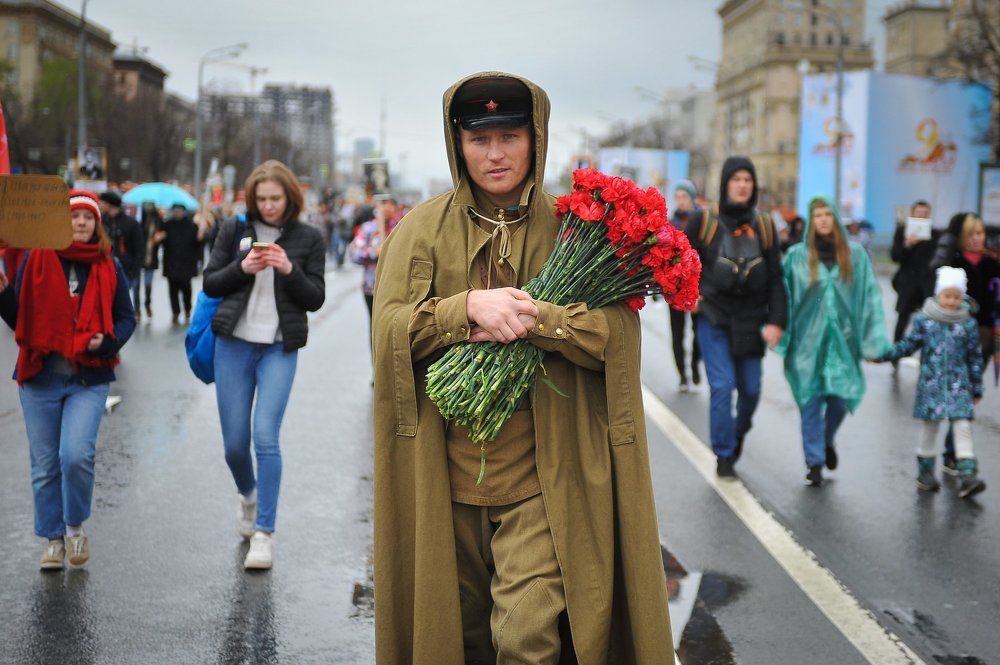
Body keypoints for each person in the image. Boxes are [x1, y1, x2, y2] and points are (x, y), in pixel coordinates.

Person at [371, 72, 672, 663]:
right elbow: (387, 334)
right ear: (458, 144)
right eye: (479, 139)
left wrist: (540, 319)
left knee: (524, 637)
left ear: (535, 138)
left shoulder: (574, 228)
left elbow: (616, 335)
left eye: (509, 136)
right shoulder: (420, 230)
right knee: (459, 643)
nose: (495, 154)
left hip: (542, 483)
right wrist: (463, 310)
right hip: (443, 483)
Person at [0, 190, 136, 570]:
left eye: (88, 217)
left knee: (76, 456)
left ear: (97, 225)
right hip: (40, 377)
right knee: (45, 464)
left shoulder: (108, 264)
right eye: (74, 216)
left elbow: (126, 318)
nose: (80, 223)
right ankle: (53, 540)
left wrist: (108, 342)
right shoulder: (37, 258)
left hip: (87, 379)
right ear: (61, 222)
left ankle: (74, 526)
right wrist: (3, 293)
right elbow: (20, 318)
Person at [202, 160, 326, 570]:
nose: (269, 206)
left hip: (278, 348)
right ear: (252, 199)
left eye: (276, 198)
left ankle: (264, 533)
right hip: (233, 345)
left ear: (290, 197)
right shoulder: (234, 230)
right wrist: (243, 268)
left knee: (266, 438)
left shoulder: (309, 237)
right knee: (235, 445)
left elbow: (315, 298)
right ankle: (249, 495)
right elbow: (210, 283)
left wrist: (289, 269)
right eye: (262, 199)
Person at [774, 196, 890, 486]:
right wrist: (778, 330)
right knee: (810, 400)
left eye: (827, 214)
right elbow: (782, 297)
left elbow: (870, 298)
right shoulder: (797, 256)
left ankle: (826, 439)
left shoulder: (855, 256)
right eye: (817, 215)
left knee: (840, 399)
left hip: (843, 343)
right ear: (811, 221)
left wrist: (873, 340)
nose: (823, 219)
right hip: (806, 343)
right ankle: (814, 462)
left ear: (835, 218)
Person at [686, 156, 787, 478]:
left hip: (751, 320)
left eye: (748, 180)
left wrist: (776, 322)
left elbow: (776, 278)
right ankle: (724, 455)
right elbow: (680, 261)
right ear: (725, 183)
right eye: (736, 179)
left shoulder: (765, 226)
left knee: (752, 390)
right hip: (713, 316)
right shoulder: (704, 220)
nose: (742, 185)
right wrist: (690, 295)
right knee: (722, 386)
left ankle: (736, 434)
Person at [878, 267, 985, 499]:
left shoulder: (967, 324)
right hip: (931, 386)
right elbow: (908, 345)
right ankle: (925, 473)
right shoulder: (925, 321)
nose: (951, 301)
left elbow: (975, 357)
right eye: (947, 296)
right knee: (930, 428)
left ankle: (968, 474)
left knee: (962, 427)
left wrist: (976, 387)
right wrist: (883, 354)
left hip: (959, 386)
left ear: (962, 297)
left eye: (956, 297)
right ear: (938, 295)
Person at [890, 200, 937, 366]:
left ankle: (926, 355)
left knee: (929, 319)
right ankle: (895, 353)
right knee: (903, 317)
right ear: (912, 213)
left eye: (925, 214)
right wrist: (907, 244)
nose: (921, 216)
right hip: (908, 281)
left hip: (926, 282)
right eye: (918, 213)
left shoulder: (934, 234)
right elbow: (895, 256)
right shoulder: (902, 231)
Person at [668, 179, 702, 391]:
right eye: (678, 197)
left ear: (692, 198)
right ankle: (682, 375)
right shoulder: (670, 224)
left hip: (697, 286)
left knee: (699, 332)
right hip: (675, 286)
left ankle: (695, 363)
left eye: (684, 196)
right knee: (677, 333)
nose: (681, 201)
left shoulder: (702, 222)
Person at [349, 195, 399, 336]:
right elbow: (354, 253)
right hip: (372, 286)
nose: (387, 207)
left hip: (397, 287)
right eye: (384, 204)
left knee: (394, 328)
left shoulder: (400, 228)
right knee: (376, 327)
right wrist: (374, 252)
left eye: (391, 204)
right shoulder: (368, 228)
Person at [154, 204, 204, 323]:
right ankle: (175, 311)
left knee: (186, 288)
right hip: (171, 261)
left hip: (187, 262)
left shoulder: (191, 225)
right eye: (175, 210)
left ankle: (187, 309)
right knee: (173, 289)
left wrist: (200, 238)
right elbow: (160, 243)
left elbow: (198, 244)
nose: (176, 213)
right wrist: (159, 238)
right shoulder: (167, 225)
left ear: (183, 211)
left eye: (178, 210)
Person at [98, 191, 145, 318]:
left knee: (123, 300)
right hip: (106, 269)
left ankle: (133, 313)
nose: (100, 205)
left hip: (126, 269)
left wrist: (133, 272)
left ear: (109, 204)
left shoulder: (131, 223)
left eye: (102, 202)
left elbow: (139, 249)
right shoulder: (101, 222)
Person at [139, 202, 162, 320]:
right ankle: (136, 309)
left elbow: (163, 235)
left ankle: (147, 303)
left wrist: (160, 237)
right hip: (139, 257)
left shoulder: (158, 220)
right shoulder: (139, 220)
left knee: (148, 283)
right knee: (135, 286)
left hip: (151, 257)